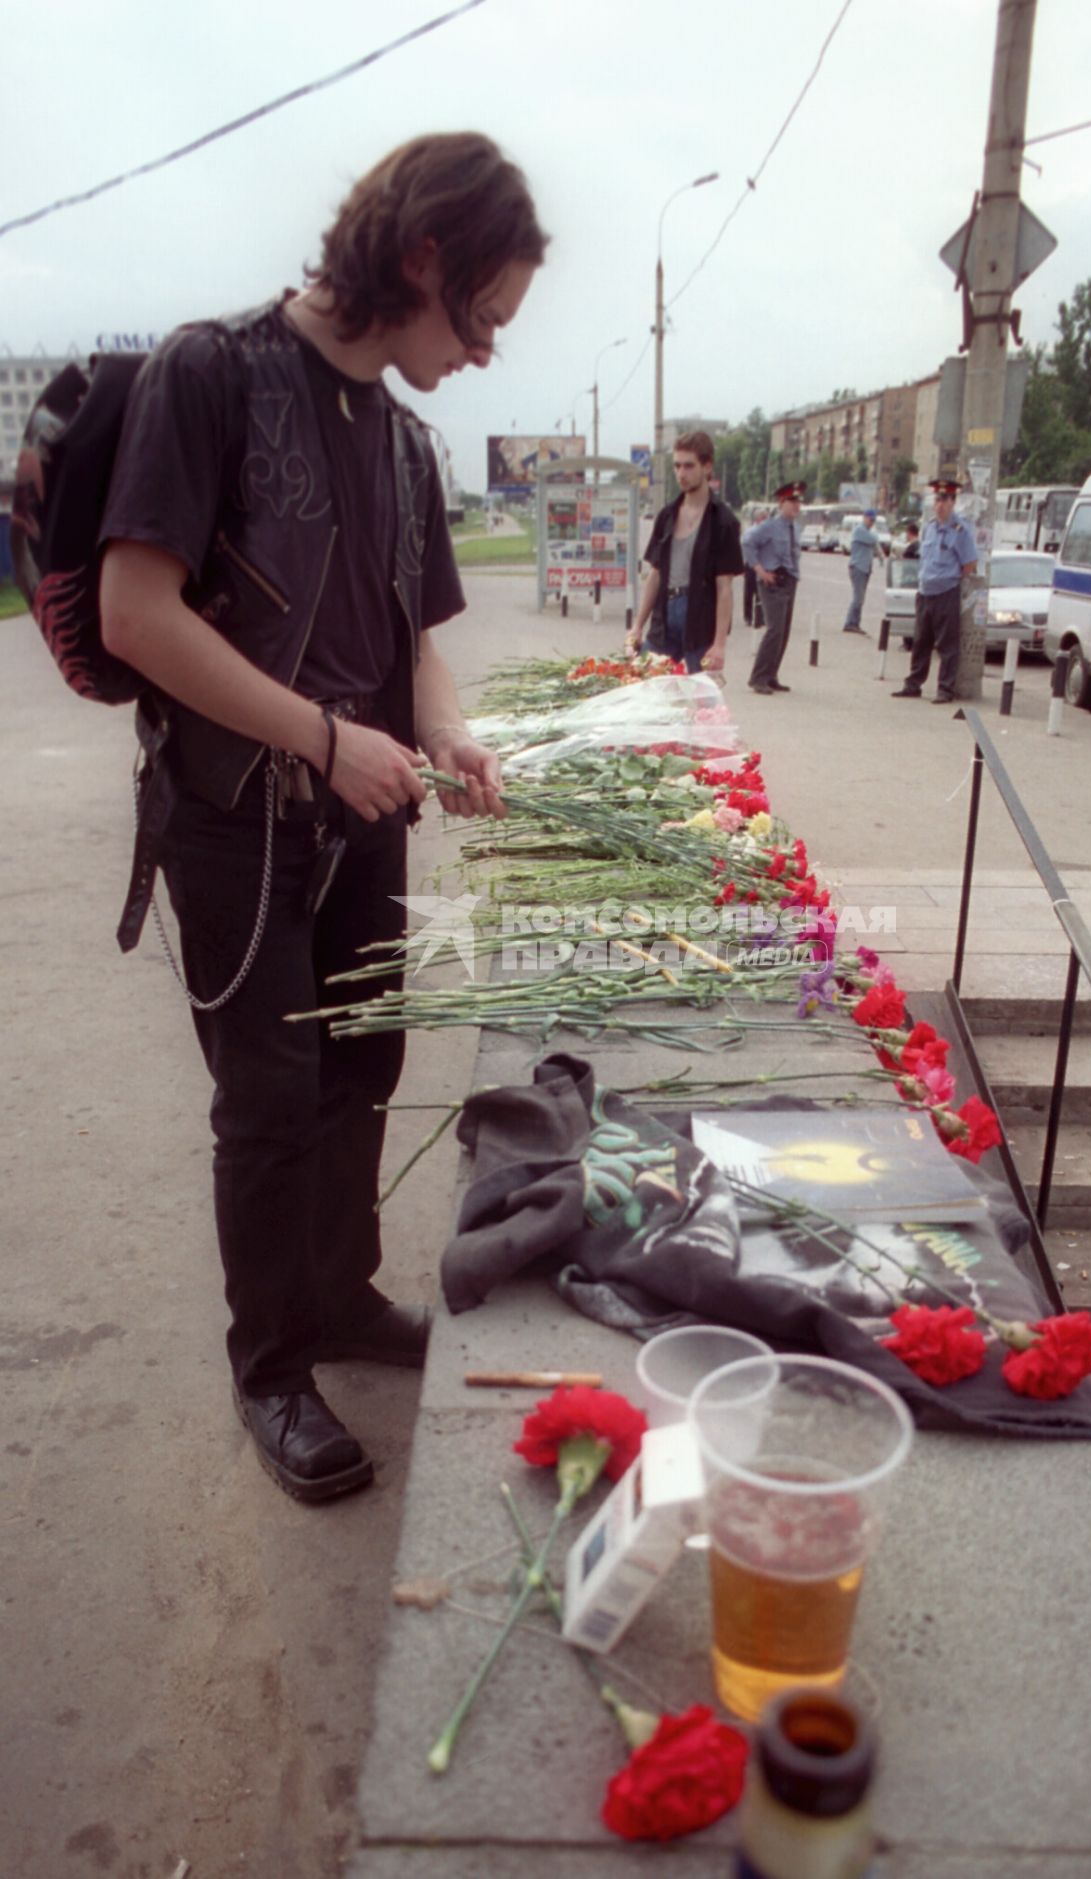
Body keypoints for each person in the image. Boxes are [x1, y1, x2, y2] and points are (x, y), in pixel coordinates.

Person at [98, 134, 548, 1503]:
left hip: (365, 809)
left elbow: (415, 642)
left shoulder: (408, 444)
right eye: (482, 315)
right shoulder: (211, 372)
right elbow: (137, 613)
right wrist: (324, 738)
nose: (485, 353)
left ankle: (343, 1296)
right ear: (419, 259)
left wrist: (449, 731)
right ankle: (272, 1363)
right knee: (273, 1100)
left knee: (364, 1062)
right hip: (239, 813)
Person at [625, 430, 742, 673]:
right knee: (646, 688)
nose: (681, 474)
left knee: (705, 699)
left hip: (699, 620)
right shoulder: (667, 516)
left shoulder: (723, 521)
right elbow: (654, 575)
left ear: (707, 466)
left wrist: (720, 644)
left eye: (689, 466)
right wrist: (637, 626)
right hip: (664, 617)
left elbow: (724, 589)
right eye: (677, 466)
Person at [892, 478, 977, 704]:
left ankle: (945, 689)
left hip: (946, 592)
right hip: (925, 592)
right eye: (937, 499)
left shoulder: (960, 531)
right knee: (920, 641)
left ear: (953, 502)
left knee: (947, 645)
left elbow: (969, 564)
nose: (939, 504)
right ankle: (913, 684)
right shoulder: (928, 527)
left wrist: (949, 578)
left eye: (945, 500)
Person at [742, 481, 805, 694]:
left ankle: (771, 675)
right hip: (773, 581)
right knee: (774, 630)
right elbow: (747, 542)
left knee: (784, 631)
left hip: (790, 580)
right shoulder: (769, 526)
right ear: (782, 502)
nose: (797, 506)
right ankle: (757, 677)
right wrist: (759, 571)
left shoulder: (794, 527)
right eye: (792, 501)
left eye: (799, 501)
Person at [842, 505, 884, 634]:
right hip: (858, 567)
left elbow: (876, 545)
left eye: (873, 521)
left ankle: (855, 623)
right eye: (870, 520)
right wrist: (879, 550)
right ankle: (850, 623)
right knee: (858, 598)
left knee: (861, 598)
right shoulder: (859, 530)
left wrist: (881, 554)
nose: (872, 523)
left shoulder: (867, 532)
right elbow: (874, 540)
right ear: (864, 518)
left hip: (865, 568)